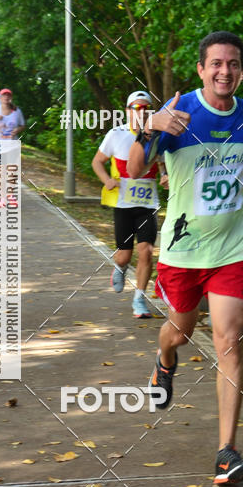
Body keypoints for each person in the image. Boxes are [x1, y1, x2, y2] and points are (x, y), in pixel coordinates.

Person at [127, 31, 243, 485]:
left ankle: (227, 453)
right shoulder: (178, 116)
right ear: (201, 69)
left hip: (233, 248)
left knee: (228, 342)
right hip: (183, 250)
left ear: (240, 69)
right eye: (216, 63)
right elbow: (135, 170)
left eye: (233, 64)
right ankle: (164, 360)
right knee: (179, 332)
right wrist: (150, 127)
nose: (225, 71)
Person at [91, 90, 163, 319]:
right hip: (123, 205)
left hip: (148, 204)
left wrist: (165, 176)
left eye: (146, 109)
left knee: (147, 252)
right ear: (128, 111)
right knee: (124, 255)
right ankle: (120, 268)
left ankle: (139, 299)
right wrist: (107, 180)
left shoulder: (159, 137)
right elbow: (97, 162)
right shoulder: (116, 134)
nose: (141, 113)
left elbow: (164, 166)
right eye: (137, 109)